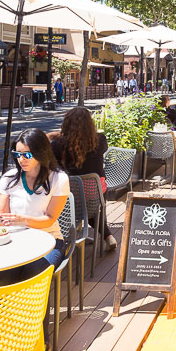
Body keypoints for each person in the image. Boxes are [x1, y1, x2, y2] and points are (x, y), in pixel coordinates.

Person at [0, 128, 69, 284]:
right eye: (17, 154)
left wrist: (21, 219)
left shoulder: (59, 179)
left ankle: (33, 309)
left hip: (49, 240)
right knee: (0, 275)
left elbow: (49, 220)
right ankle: (6, 309)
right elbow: (3, 218)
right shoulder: (9, 178)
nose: (21, 159)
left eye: (27, 155)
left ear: (41, 153)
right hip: (14, 240)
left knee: (33, 275)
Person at [49, 107, 117, 249]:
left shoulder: (57, 145)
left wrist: (52, 137)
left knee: (75, 202)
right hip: (96, 193)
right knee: (90, 208)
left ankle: (75, 236)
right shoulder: (100, 141)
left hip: (69, 198)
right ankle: (107, 236)